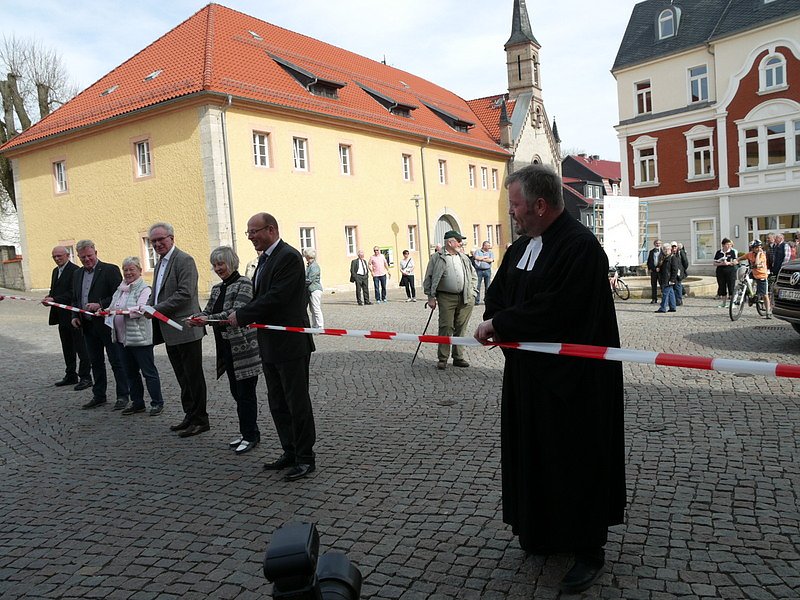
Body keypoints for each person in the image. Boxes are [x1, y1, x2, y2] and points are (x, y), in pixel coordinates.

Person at [474, 165, 625, 594]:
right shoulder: (522, 247)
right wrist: (496, 318)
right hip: (529, 379)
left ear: (540, 205)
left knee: (576, 459)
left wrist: (502, 322)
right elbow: (498, 294)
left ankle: (587, 547)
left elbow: (560, 309)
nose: (512, 212)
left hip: (573, 385)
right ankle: (542, 529)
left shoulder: (581, 248)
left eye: (516, 205)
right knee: (534, 455)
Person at [230, 212, 317, 481]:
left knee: (296, 402)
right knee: (277, 402)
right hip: (269, 343)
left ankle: (305, 458)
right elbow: (262, 296)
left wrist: (243, 315)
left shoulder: (288, 257)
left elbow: (277, 297)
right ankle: (288, 451)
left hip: (291, 344)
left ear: (271, 229)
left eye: (254, 231)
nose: (251, 237)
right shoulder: (264, 260)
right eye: (248, 233)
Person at [189, 246, 262, 454]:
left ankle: (250, 436)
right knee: (236, 393)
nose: (218, 268)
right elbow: (208, 311)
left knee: (246, 394)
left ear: (231, 262)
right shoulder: (216, 288)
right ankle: (249, 431)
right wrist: (196, 318)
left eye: (221, 263)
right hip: (225, 347)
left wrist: (207, 319)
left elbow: (235, 312)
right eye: (215, 265)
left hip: (244, 349)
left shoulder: (244, 284)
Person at [146, 222, 209, 438]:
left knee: (193, 376)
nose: (157, 244)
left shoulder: (184, 260)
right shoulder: (160, 263)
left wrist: (155, 309)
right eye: (153, 241)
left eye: (161, 239)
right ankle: (189, 415)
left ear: (171, 238)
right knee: (182, 376)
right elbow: (156, 293)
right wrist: (147, 305)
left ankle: (201, 419)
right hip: (168, 329)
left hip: (186, 327)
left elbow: (185, 293)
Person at [70, 240, 130, 410]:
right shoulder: (77, 274)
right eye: (83, 258)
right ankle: (99, 395)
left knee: (116, 360)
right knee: (95, 361)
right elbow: (75, 298)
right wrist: (75, 315)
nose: (87, 260)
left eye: (89, 256)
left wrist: (101, 305)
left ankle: (123, 395)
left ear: (96, 252)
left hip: (107, 324)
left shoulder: (110, 270)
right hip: (87, 326)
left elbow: (119, 294)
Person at [105, 257, 164, 416]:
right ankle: (137, 403)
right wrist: (104, 311)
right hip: (121, 339)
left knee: (148, 372)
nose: (128, 272)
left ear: (139, 270)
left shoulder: (144, 289)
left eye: (132, 269)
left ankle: (157, 403)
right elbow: (112, 307)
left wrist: (119, 312)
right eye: (125, 270)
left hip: (140, 339)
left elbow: (140, 310)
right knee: (130, 373)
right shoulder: (120, 289)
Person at [423, 230, 477, 370]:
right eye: (459, 241)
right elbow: (428, 278)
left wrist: (473, 293)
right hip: (446, 296)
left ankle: (458, 357)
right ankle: (443, 358)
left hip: (465, 297)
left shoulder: (463, 257)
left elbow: (473, 275)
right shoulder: (437, 257)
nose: (461, 243)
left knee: (461, 327)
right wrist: (430, 297)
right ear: (450, 242)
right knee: (446, 326)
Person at [43, 246, 91, 390]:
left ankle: (85, 377)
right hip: (60, 315)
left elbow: (73, 293)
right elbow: (54, 289)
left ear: (67, 255)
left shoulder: (75, 270)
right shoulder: (55, 271)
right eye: (54, 257)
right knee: (67, 347)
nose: (57, 259)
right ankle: (70, 374)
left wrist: (54, 299)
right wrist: (49, 298)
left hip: (73, 315)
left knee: (81, 347)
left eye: (59, 256)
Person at [745, 239, 772, 319]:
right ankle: (750, 295)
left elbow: (757, 263)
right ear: (752, 248)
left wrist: (759, 253)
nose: (758, 248)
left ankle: (768, 311)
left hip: (761, 276)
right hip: (753, 274)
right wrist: (735, 261)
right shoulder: (750, 254)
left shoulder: (762, 255)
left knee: (764, 295)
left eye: (759, 247)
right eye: (756, 247)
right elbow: (742, 257)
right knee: (745, 279)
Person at [713, 238, 738, 308]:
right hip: (720, 271)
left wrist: (729, 263)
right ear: (723, 245)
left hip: (730, 271)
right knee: (722, 286)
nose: (729, 246)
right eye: (727, 244)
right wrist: (721, 263)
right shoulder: (719, 252)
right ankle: (723, 303)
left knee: (731, 286)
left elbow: (736, 261)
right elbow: (714, 263)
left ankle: (732, 303)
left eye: (730, 244)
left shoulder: (732, 252)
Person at [303, 248, 324, 328]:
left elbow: (310, 279)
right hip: (310, 290)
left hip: (315, 289)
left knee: (316, 308)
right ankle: (315, 326)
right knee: (312, 310)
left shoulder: (314, 266)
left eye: (305, 256)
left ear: (308, 256)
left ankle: (320, 326)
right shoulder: (309, 265)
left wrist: (301, 281)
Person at [655, 244, 679, 313]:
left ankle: (663, 308)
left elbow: (675, 270)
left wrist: (672, 280)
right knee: (671, 293)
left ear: (670, 250)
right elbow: (661, 266)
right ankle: (672, 307)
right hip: (664, 278)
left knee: (665, 293)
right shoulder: (663, 257)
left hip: (668, 279)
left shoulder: (672, 258)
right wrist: (658, 268)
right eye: (664, 249)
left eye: (667, 249)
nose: (665, 251)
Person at [473, 241, 494, 305]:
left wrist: (481, 259)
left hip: (487, 270)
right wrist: (485, 258)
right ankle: (477, 301)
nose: (489, 247)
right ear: (484, 246)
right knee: (477, 286)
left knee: (488, 286)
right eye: (488, 246)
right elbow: (476, 258)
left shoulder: (490, 252)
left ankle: (487, 300)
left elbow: (491, 260)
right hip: (479, 270)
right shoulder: (478, 251)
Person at [646, 239, 662, 304]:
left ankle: (664, 298)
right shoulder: (651, 252)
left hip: (661, 271)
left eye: (659, 243)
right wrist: (650, 268)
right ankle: (654, 299)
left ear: (661, 244)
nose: (657, 244)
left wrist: (659, 268)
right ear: (654, 244)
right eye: (656, 243)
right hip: (653, 271)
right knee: (653, 285)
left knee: (662, 285)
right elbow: (649, 261)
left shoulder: (663, 251)